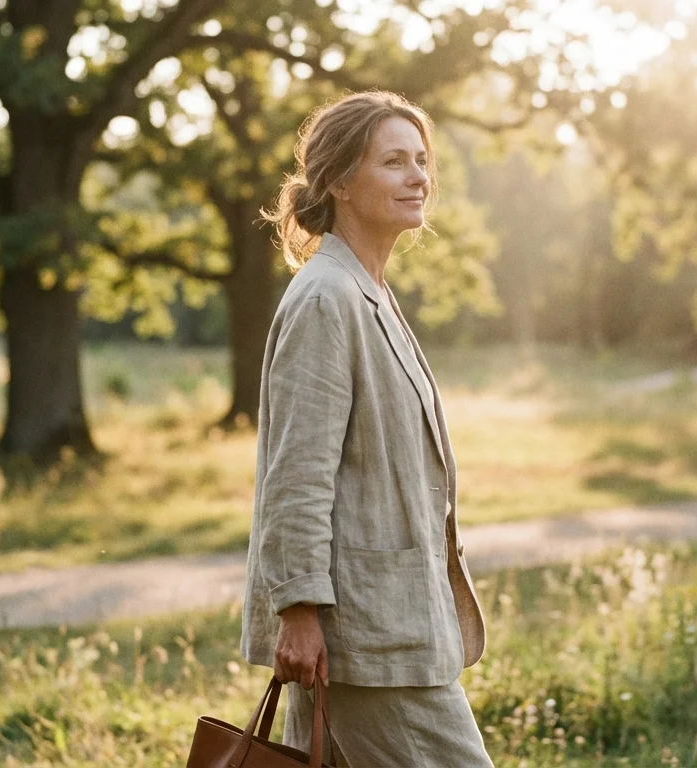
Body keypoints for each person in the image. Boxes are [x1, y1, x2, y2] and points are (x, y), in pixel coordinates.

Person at [239, 90, 491, 767]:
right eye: (393, 162)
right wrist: (297, 612)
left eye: (421, 160)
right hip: (364, 641)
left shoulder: (366, 291)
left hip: (387, 625)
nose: (418, 177)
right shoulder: (328, 298)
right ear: (342, 182)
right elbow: (298, 472)